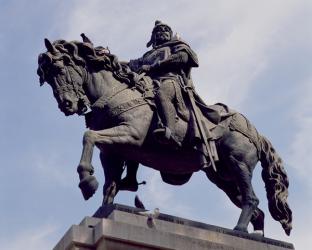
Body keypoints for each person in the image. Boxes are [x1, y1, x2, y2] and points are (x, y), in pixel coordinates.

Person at [129, 20, 200, 147]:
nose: (162, 31)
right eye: (158, 30)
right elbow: (131, 65)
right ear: (153, 37)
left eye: (166, 29)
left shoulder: (175, 45)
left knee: (162, 95)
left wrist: (152, 67)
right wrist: (111, 58)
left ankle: (170, 132)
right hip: (149, 83)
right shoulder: (148, 55)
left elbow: (181, 57)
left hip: (171, 80)